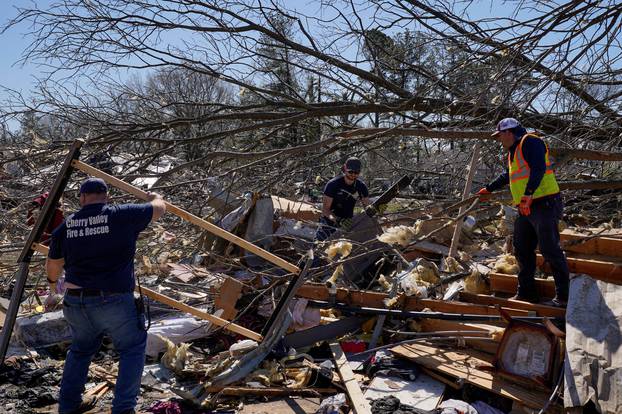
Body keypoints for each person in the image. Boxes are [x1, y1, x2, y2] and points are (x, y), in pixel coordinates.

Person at [46, 177, 166, 414]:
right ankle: (122, 409)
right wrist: (154, 197)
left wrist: (52, 286)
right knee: (131, 349)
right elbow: (160, 209)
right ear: (107, 196)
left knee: (80, 350)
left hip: (76, 302)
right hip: (114, 301)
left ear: (81, 198)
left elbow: (53, 265)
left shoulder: (67, 225)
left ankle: (67, 407)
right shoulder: (121, 215)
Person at [477, 118, 569, 307]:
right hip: (527, 206)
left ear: (509, 132)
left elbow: (539, 169)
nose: (499, 140)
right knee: (522, 249)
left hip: (544, 203)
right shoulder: (514, 152)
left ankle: (564, 297)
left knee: (550, 249)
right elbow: (508, 176)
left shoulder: (531, 142)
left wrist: (528, 195)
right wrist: (489, 188)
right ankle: (527, 293)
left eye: (500, 135)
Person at [316, 157, 370, 241]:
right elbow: (325, 210)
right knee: (320, 247)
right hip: (329, 223)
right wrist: (338, 220)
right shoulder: (333, 184)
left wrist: (375, 212)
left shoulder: (361, 186)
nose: (353, 174)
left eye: (356, 172)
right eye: (350, 171)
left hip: (347, 224)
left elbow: (367, 207)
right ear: (345, 168)